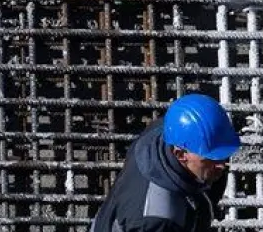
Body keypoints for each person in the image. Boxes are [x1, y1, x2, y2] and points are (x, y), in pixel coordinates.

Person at [90, 93, 241, 232]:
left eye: (224, 155)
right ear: (181, 154)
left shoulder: (168, 133)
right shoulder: (156, 218)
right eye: (210, 158)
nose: (222, 164)